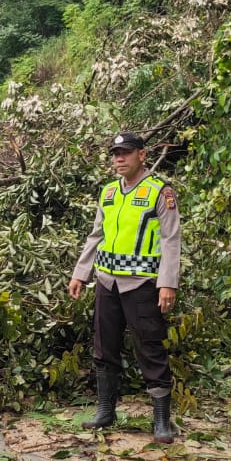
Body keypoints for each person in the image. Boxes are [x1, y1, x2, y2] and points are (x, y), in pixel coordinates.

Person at [67, 132, 182, 444]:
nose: (119, 158)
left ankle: (161, 422)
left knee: (150, 348)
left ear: (141, 155)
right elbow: (95, 236)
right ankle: (106, 411)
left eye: (126, 153)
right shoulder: (107, 193)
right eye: (115, 153)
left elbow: (171, 240)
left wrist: (167, 283)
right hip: (107, 282)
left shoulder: (160, 192)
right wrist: (81, 274)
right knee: (104, 347)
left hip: (142, 285)